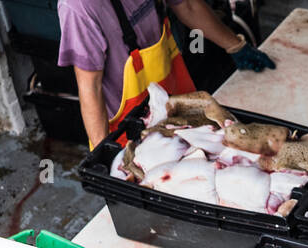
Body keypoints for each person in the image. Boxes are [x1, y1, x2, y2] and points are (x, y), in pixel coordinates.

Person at [58, 0, 275, 148]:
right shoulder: (78, 7)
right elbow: (90, 87)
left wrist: (235, 46)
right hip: (135, 137)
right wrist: (105, 156)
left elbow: (187, 6)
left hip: (182, 107)